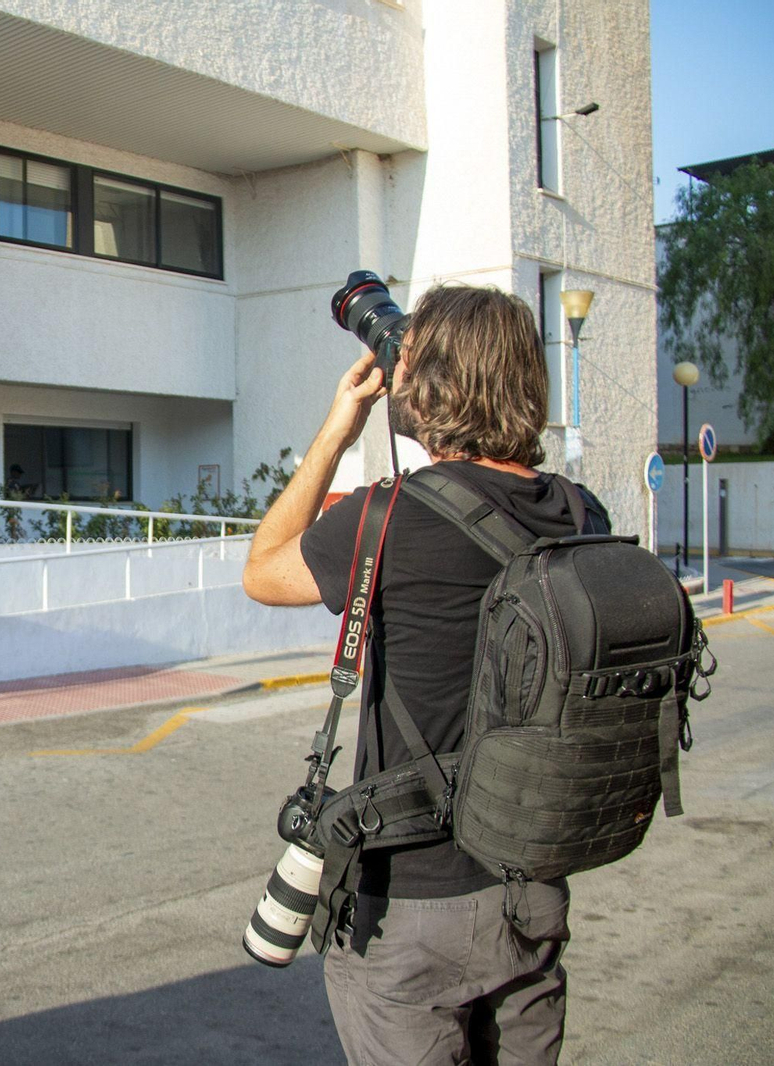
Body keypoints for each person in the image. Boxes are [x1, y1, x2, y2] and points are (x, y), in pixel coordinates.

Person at [242, 285, 604, 1064]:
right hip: (532, 888)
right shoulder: (581, 515)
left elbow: (263, 570)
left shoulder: (389, 516)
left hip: (410, 909)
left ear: (430, 383)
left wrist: (339, 429)